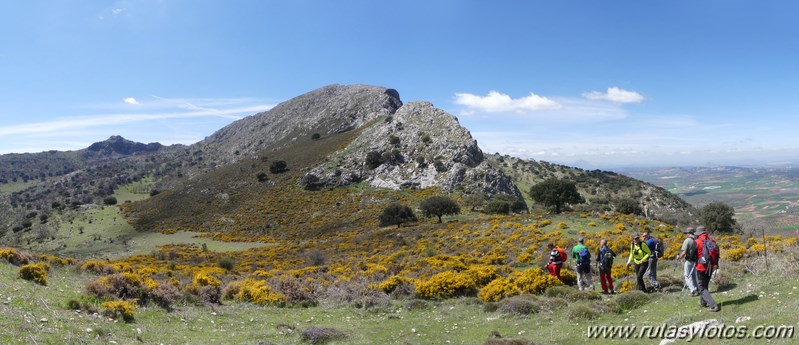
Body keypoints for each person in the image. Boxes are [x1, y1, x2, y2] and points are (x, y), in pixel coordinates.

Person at [694, 226, 720, 312]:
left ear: (699, 234)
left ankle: (713, 305)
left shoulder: (697, 242)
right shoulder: (712, 240)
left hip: (701, 267)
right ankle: (703, 303)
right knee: (705, 285)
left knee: (701, 287)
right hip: (711, 266)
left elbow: (692, 255)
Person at [676, 227, 699, 296]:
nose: (686, 234)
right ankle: (697, 288)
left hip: (689, 260)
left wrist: (679, 257)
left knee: (687, 275)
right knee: (694, 276)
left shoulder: (687, 240)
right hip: (695, 260)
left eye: (686, 233)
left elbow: (684, 252)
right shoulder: (696, 240)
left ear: (689, 234)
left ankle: (693, 290)